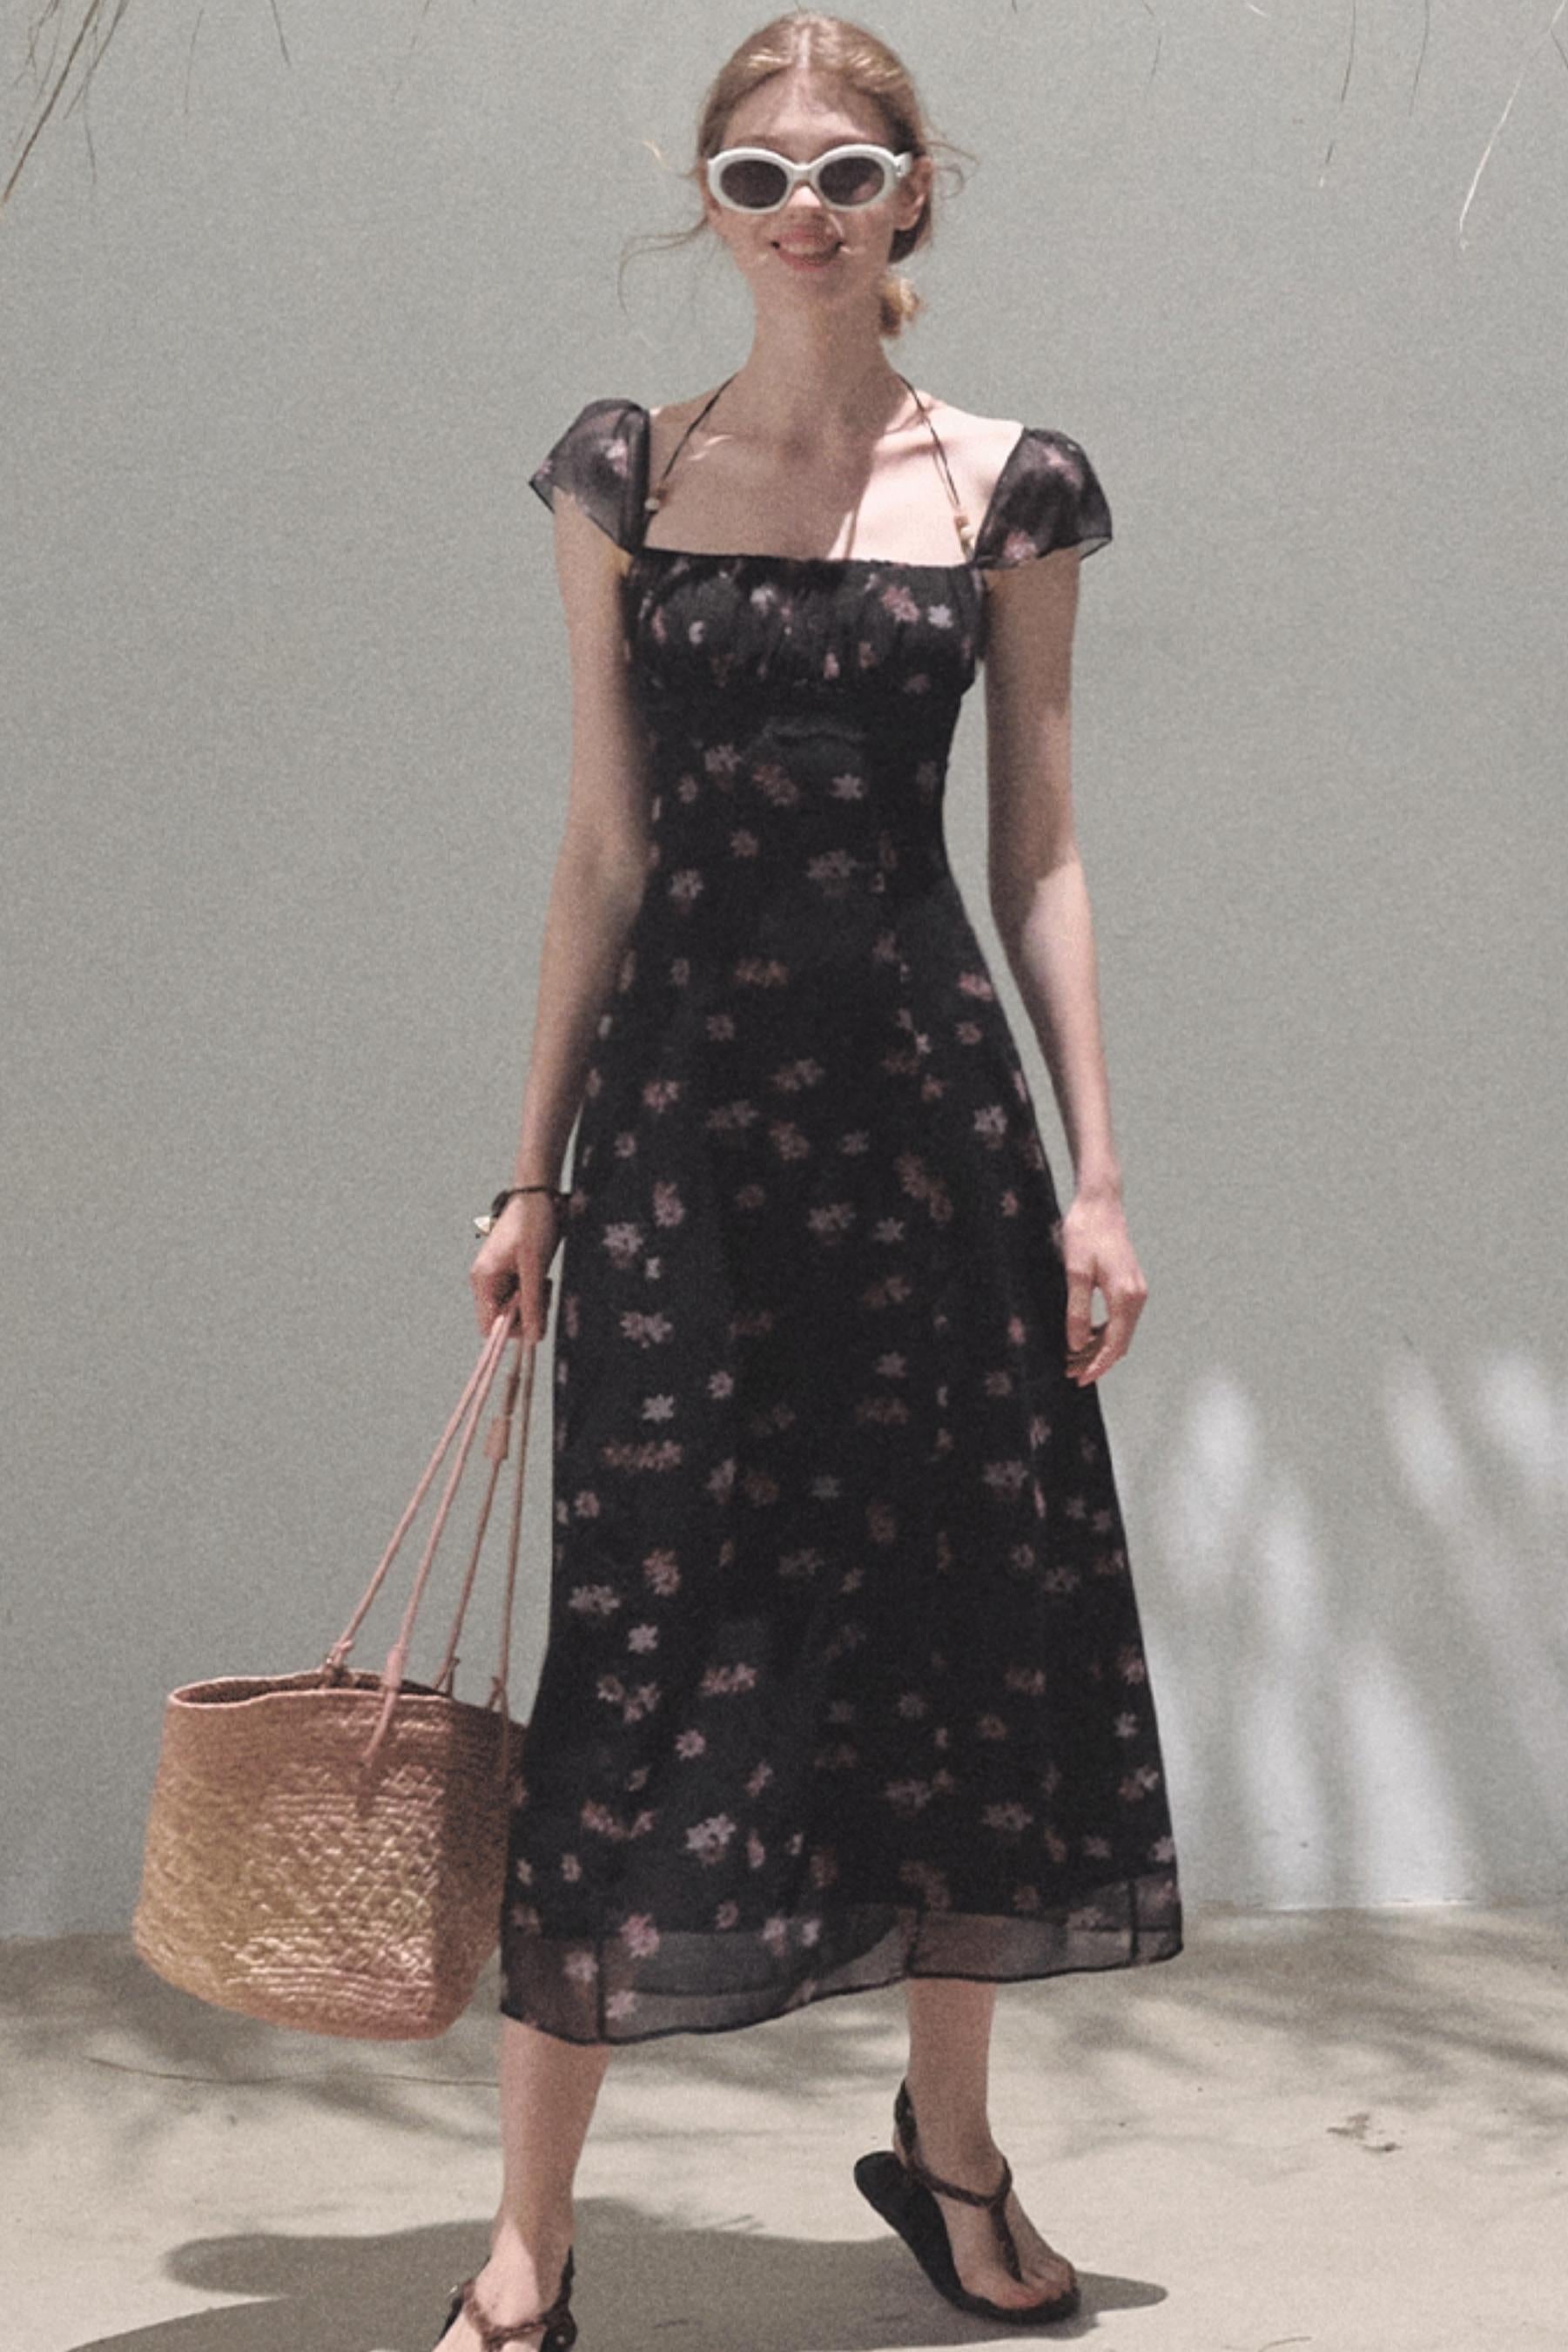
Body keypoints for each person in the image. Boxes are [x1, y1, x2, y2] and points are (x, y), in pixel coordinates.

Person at [445, 13, 1183, 2348]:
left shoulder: (1007, 485)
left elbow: (1038, 847)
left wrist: (1096, 1178)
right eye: (757, 177)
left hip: (927, 1140)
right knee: (634, 1641)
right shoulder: (621, 470)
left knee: (950, 1627)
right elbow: (599, 843)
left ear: (910, 194)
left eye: (845, 172)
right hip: (680, 1138)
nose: (802, 213)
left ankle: (948, 2161)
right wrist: (531, 1175)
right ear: (711, 202)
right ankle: (525, 2246)